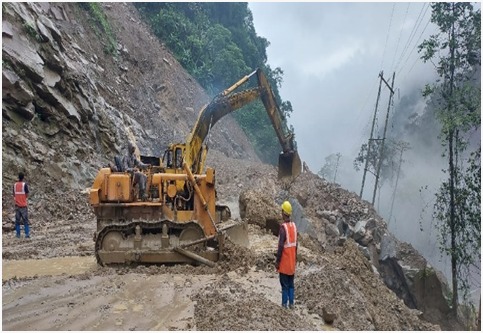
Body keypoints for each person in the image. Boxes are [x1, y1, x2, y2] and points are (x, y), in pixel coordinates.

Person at [275, 200, 297, 309]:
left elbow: (280, 247)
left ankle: (284, 305)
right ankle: (291, 304)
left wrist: (277, 262)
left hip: (284, 264)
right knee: (291, 285)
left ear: (284, 212)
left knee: (284, 285)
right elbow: (296, 246)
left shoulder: (283, 228)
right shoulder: (294, 226)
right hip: (292, 263)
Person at [13, 172, 30, 238]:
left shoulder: (15, 185)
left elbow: (14, 195)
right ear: (23, 177)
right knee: (25, 220)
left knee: (17, 221)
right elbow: (27, 194)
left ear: (18, 177)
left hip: (17, 206)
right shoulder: (24, 185)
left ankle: (18, 234)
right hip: (23, 205)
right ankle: (27, 234)